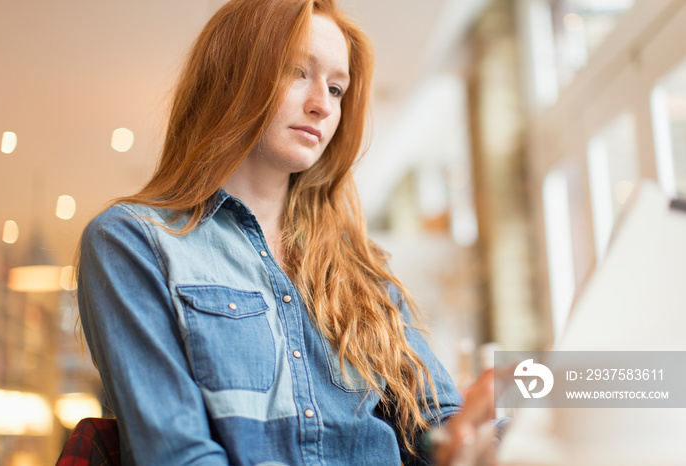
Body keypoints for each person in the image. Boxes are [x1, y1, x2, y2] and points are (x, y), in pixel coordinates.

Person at [76, 0, 505, 464]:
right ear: (231, 76)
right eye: (297, 71)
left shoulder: (358, 266)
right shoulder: (132, 242)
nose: (322, 104)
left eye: (337, 88)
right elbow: (180, 455)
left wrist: (485, 439)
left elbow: (431, 421)